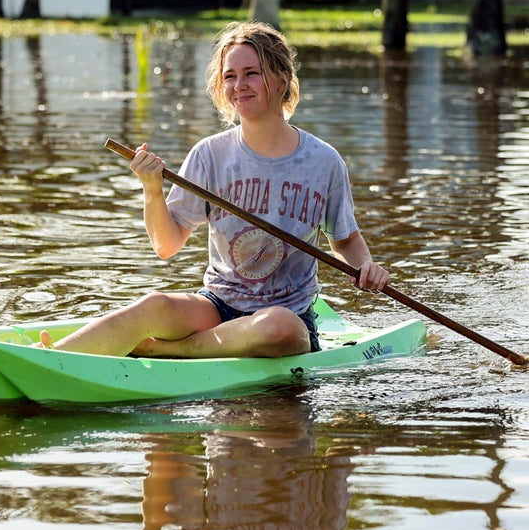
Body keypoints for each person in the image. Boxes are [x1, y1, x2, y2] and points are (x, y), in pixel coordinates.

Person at [43, 20, 389, 358]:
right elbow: (166, 246)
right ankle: (48, 360)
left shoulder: (323, 161)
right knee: (154, 305)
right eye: (230, 76)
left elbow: (344, 241)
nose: (240, 85)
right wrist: (152, 190)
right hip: (217, 307)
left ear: (282, 78)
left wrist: (366, 267)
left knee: (278, 327)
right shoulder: (209, 154)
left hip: (288, 321)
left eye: (252, 73)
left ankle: (174, 351)